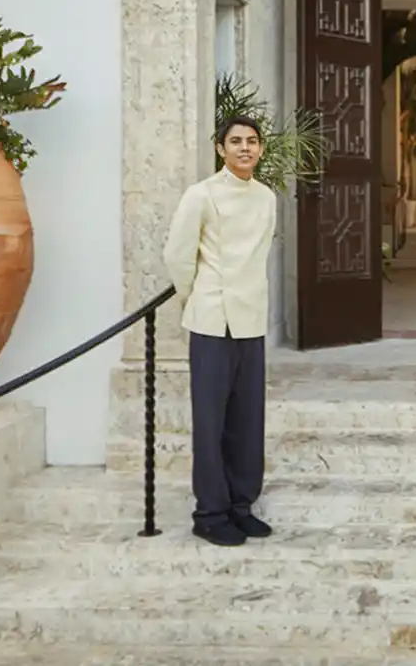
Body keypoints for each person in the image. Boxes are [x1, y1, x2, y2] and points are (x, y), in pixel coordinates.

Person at [162, 114, 279, 546]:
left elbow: (259, 254)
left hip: (251, 321)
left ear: (260, 148)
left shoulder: (266, 198)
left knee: (247, 420)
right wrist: (199, 296)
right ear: (220, 148)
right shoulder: (202, 195)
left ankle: (240, 505)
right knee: (211, 422)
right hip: (212, 321)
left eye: (251, 141)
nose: (244, 148)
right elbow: (178, 255)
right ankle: (209, 513)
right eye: (235, 141)